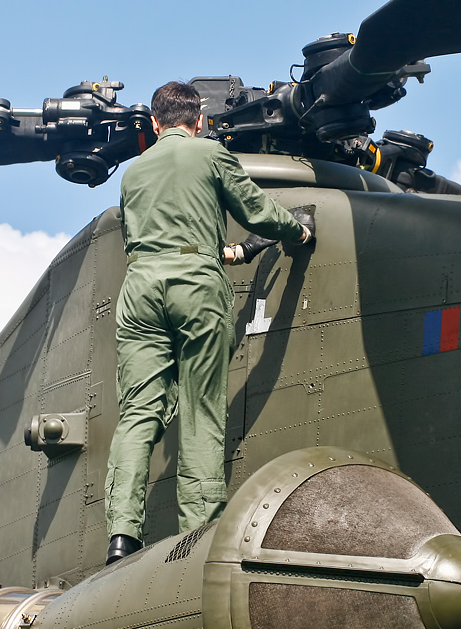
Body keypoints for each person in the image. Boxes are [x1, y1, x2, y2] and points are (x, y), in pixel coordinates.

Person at [105, 81, 314, 565]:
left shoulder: (133, 174)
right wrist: (296, 229)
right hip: (195, 287)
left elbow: (149, 239)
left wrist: (229, 252)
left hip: (140, 290)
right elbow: (257, 210)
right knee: (201, 407)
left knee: (138, 413)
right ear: (198, 121)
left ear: (155, 125)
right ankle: (198, 532)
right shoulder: (211, 155)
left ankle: (121, 534)